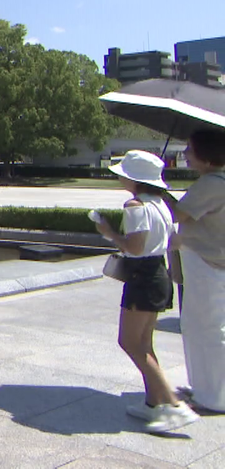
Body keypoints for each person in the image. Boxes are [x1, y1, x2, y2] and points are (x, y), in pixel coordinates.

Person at [95, 150, 199, 432]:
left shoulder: (135, 205)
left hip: (142, 277)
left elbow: (134, 247)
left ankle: (174, 405)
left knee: (130, 342)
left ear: (133, 178)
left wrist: (108, 232)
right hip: (158, 274)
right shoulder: (162, 205)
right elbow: (172, 242)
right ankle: (153, 403)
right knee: (144, 343)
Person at [172, 128, 225, 415]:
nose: (186, 154)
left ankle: (214, 397)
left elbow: (180, 213)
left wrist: (157, 191)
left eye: (190, 149)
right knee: (201, 327)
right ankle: (204, 388)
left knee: (206, 329)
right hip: (211, 264)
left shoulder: (212, 184)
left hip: (207, 265)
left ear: (206, 156)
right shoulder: (215, 182)